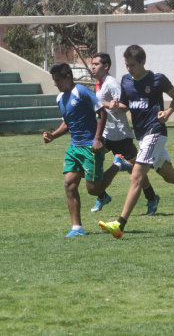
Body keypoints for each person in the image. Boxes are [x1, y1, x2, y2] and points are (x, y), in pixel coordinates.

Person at [98, 45, 174, 238]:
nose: (129, 69)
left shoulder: (157, 79)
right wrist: (116, 106)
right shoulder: (125, 80)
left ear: (142, 62)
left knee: (136, 177)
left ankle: (119, 224)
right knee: (170, 176)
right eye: (126, 65)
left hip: (155, 132)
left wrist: (168, 112)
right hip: (142, 136)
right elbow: (125, 106)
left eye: (132, 65)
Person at [91, 52, 160, 215]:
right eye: (92, 64)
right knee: (91, 160)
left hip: (120, 135)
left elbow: (124, 106)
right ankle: (102, 195)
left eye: (96, 64)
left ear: (106, 66)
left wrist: (107, 105)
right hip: (106, 134)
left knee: (136, 171)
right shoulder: (99, 84)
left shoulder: (112, 83)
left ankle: (151, 198)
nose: (92, 67)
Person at [43, 62, 107, 237]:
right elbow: (67, 123)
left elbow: (102, 113)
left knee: (93, 189)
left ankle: (118, 163)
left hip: (90, 146)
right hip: (74, 147)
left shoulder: (82, 92)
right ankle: (77, 228)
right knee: (69, 185)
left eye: (57, 80)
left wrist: (97, 139)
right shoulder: (60, 99)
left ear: (68, 77)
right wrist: (53, 136)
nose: (55, 84)